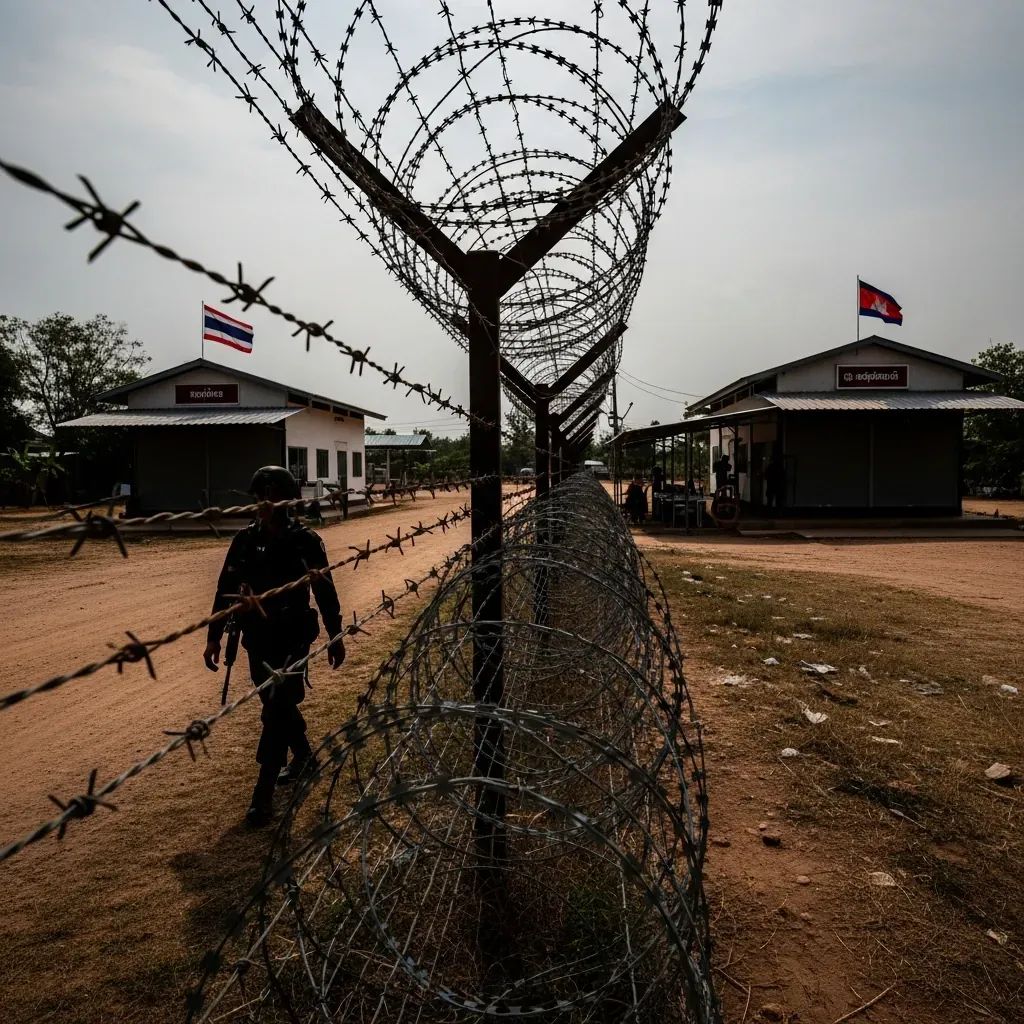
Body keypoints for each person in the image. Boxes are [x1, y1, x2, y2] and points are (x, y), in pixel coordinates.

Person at [203, 466, 345, 827]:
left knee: (276, 707)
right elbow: (225, 591)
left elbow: (324, 591)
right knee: (275, 702)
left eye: (270, 497)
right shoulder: (245, 541)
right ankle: (303, 756)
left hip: (294, 634)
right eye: (258, 497)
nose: (263, 504)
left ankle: (262, 793)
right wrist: (213, 636)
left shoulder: (305, 541)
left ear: (286, 500)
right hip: (257, 638)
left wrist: (335, 634)